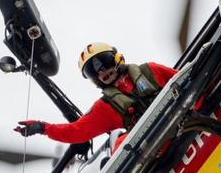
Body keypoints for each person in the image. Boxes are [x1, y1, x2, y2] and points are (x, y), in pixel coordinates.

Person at [14, 42, 176, 144]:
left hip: (185, 115)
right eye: (93, 71)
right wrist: (43, 127)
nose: (102, 70)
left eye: (103, 61)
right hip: (159, 144)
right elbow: (76, 131)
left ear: (116, 58)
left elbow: (187, 76)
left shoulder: (151, 70)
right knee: (120, 145)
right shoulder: (105, 107)